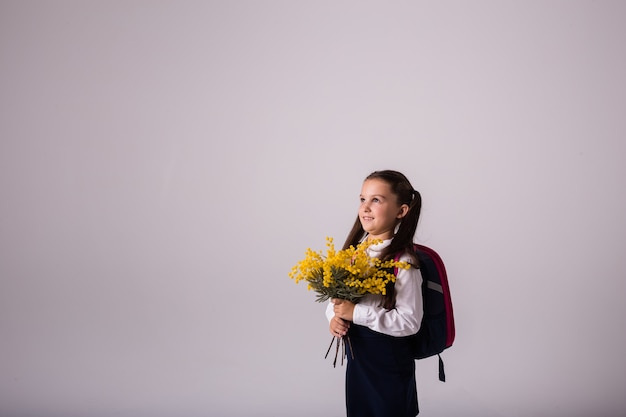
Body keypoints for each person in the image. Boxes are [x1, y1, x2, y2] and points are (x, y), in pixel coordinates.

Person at [326, 170, 424, 417]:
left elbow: (409, 322)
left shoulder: (404, 262)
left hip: (389, 366)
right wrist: (334, 317)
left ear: (401, 211)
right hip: (359, 362)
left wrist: (356, 313)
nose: (365, 207)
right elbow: (336, 299)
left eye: (376, 200)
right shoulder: (353, 255)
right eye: (362, 199)